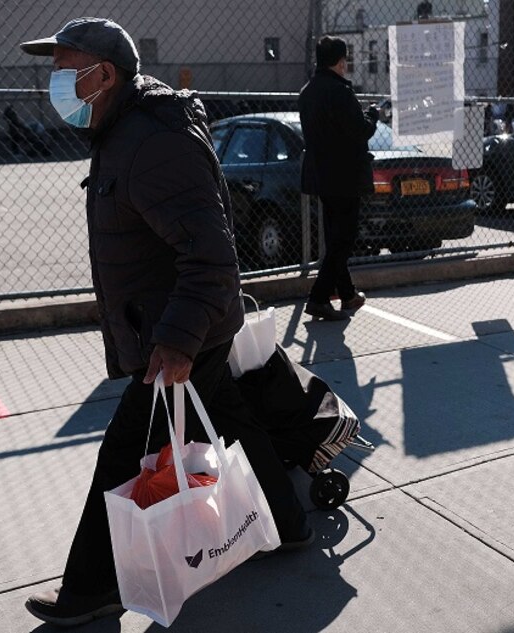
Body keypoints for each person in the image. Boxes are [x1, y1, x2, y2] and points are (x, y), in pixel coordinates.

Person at [18, 18, 312, 627]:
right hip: (184, 324)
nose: (55, 84)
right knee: (230, 419)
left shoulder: (151, 142)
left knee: (123, 453)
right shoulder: (125, 129)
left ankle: (91, 588)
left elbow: (210, 254)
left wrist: (177, 339)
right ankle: (285, 523)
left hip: (178, 332)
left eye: (65, 71)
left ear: (104, 75)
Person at [299, 35, 378, 320]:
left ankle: (347, 295)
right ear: (339, 60)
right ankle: (319, 297)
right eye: (345, 59)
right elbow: (361, 130)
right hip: (345, 175)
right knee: (343, 238)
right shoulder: (340, 92)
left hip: (322, 174)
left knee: (336, 236)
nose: (347, 64)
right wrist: (374, 116)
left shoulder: (307, 92)